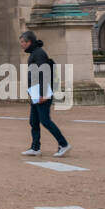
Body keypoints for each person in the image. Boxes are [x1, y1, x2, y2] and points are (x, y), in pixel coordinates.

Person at [18, 30, 70, 158]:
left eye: (23, 42)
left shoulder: (39, 54)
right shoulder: (34, 53)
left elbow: (45, 73)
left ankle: (63, 144)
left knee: (45, 121)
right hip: (36, 91)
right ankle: (35, 148)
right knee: (33, 121)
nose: (22, 45)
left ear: (29, 42)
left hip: (42, 91)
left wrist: (44, 94)